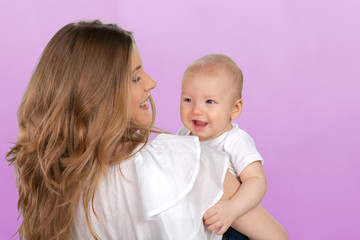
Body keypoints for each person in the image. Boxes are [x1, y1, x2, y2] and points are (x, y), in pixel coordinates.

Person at [7, 20, 287, 240]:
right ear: (101, 94)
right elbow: (276, 237)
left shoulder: (56, 186)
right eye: (135, 76)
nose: (151, 83)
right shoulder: (183, 161)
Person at [178, 54, 285, 239]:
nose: (197, 110)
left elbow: (256, 181)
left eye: (209, 102)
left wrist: (233, 208)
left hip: (230, 226)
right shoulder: (183, 134)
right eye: (188, 100)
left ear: (235, 108)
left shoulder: (235, 141)